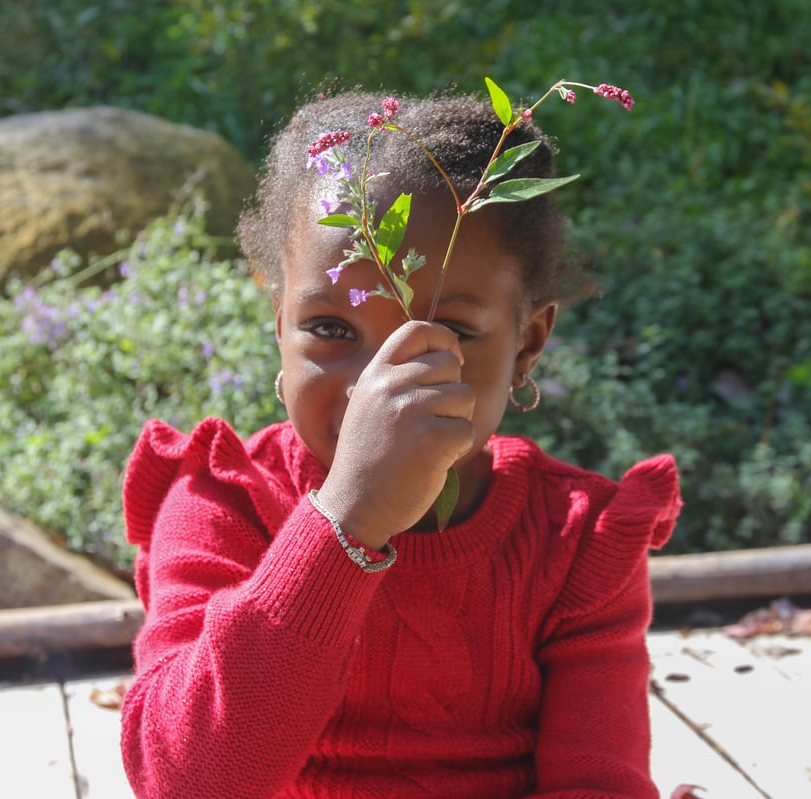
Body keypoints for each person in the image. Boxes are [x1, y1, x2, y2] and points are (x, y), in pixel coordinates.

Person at [119, 87, 682, 799]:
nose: (377, 390)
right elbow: (186, 781)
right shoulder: (223, 501)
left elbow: (599, 783)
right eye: (330, 329)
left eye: (441, 336)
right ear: (277, 321)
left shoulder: (577, 544)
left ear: (528, 344)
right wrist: (345, 521)